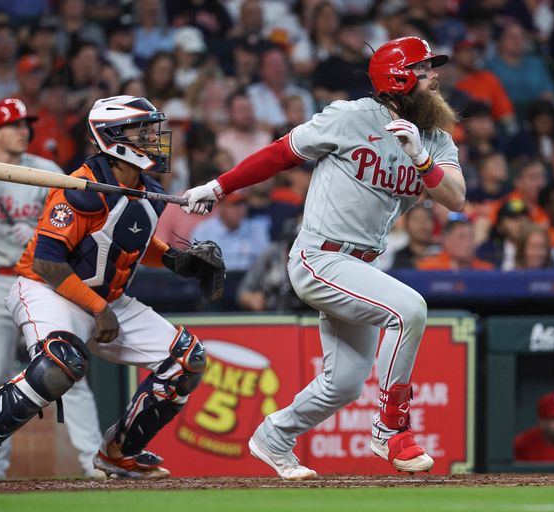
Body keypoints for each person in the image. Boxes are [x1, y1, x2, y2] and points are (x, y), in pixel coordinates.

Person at [181, 36, 466, 479]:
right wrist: (218, 188)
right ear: (400, 77)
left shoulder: (434, 140)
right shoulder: (350, 117)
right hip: (320, 256)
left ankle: (274, 435)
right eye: (427, 69)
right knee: (409, 309)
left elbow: (457, 198)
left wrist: (421, 157)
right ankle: (391, 429)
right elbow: (280, 153)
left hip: (360, 265)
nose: (436, 77)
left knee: (345, 383)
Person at [0, 96, 225, 482]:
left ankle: (119, 453)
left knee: (187, 359)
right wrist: (97, 307)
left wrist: (178, 261)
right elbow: (47, 260)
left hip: (106, 298)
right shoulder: (81, 189)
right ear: (112, 138)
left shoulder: (146, 189)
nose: (152, 138)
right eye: (140, 131)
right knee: (59, 365)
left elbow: (131, 241)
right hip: (47, 289)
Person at [0, 98, 103, 480]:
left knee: (67, 367)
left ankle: (94, 461)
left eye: (27, 124)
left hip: (41, 280)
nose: (23, 130)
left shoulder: (46, 170)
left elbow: (73, 224)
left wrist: (40, 234)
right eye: (14, 124)